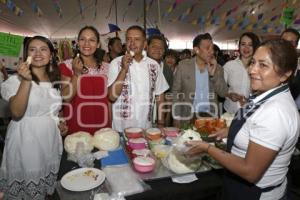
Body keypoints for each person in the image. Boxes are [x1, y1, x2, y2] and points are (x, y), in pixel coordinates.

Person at [186, 39, 300, 200]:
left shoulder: (276, 112)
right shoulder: (265, 96)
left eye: (263, 65)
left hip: (254, 193)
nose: (252, 70)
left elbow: (250, 171)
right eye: (253, 62)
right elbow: (252, 125)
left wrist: (207, 149)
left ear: (285, 73)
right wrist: (228, 131)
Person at [0, 36, 66, 199]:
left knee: (45, 190)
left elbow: (53, 111)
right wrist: (26, 81)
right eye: (32, 49)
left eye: (43, 49)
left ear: (51, 55)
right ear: (26, 55)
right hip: (26, 143)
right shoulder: (15, 81)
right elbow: (16, 112)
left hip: (49, 141)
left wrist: (60, 123)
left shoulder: (53, 81)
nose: (38, 53)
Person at [108, 25, 169, 132]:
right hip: (121, 129)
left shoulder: (154, 65)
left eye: (137, 39)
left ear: (145, 44)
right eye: (129, 39)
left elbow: (160, 95)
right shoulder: (116, 63)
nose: (132, 43)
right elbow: (112, 97)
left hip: (146, 128)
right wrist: (124, 69)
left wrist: (161, 122)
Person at [60, 26, 111, 135]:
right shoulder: (67, 65)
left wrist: (110, 125)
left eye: (92, 40)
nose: (86, 44)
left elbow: (109, 101)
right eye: (83, 39)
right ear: (78, 43)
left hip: (102, 127)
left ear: (98, 45)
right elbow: (65, 98)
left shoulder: (107, 68)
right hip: (76, 128)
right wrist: (76, 74)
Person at [172, 33, 228, 127]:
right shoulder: (183, 66)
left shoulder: (218, 68)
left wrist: (213, 75)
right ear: (196, 50)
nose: (211, 51)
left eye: (212, 48)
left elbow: (223, 93)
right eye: (207, 48)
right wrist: (176, 116)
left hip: (210, 116)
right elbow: (175, 92)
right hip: (188, 115)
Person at [223, 32, 260, 114]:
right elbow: (221, 88)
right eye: (243, 44)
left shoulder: (259, 68)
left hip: (251, 112)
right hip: (230, 111)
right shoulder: (229, 65)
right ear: (239, 46)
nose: (246, 48)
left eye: (250, 45)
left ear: (255, 47)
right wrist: (229, 95)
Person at [280, 28, 300, 101]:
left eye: (291, 42)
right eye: (284, 41)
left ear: (296, 45)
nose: (287, 45)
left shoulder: (298, 67)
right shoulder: (270, 61)